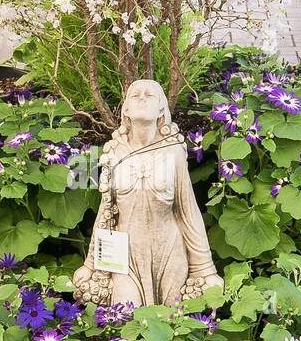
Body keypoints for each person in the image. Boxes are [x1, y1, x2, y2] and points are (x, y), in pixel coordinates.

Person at [74, 78, 222, 308]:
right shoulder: (115, 153)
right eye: (135, 95)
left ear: (161, 109)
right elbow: (106, 213)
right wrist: (91, 264)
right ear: (126, 111)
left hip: (170, 253)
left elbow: (188, 212)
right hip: (126, 255)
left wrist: (204, 269)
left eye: (149, 95)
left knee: (173, 323)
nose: (142, 97)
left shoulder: (173, 153)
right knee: (125, 316)